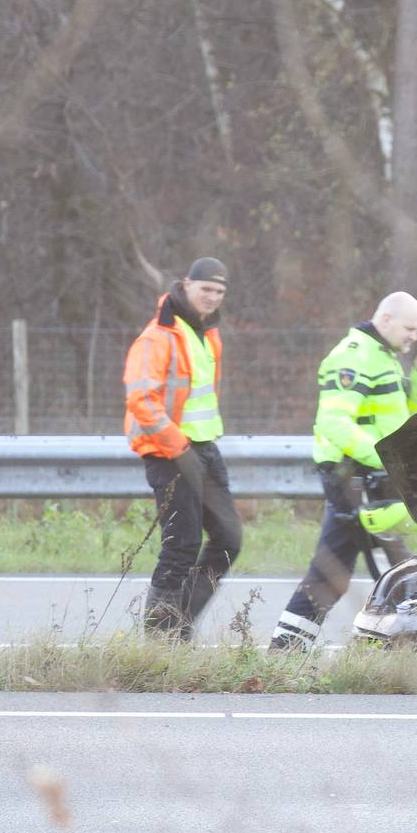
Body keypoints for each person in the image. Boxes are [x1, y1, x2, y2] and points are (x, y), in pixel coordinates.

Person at [272, 291, 417, 651]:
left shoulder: (384, 356)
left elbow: (391, 415)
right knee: (392, 565)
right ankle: (407, 649)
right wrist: (387, 459)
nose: (414, 336)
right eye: (410, 328)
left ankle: (286, 648)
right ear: (385, 320)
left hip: (368, 475)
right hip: (353, 475)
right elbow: (335, 423)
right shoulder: (353, 357)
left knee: (337, 571)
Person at [124, 257, 241, 637]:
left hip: (204, 447)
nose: (212, 297)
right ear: (186, 285)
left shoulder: (207, 333)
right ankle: (160, 641)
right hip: (169, 452)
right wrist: (178, 447)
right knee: (181, 547)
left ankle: (179, 625)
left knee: (228, 538)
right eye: (206, 289)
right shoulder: (158, 336)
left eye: (219, 292)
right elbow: (142, 401)